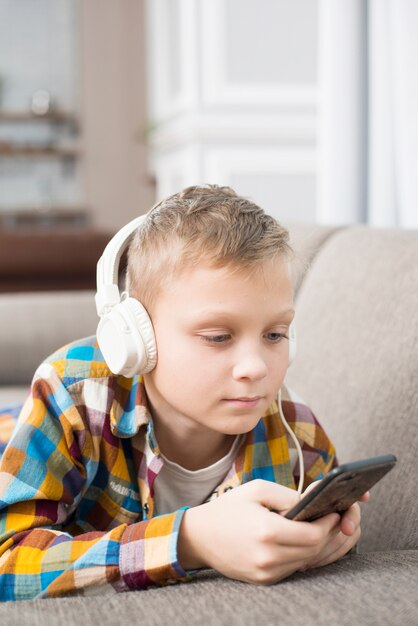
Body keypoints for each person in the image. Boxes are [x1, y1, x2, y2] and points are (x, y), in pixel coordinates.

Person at [0, 185, 365, 601]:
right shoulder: (73, 396)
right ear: (136, 339)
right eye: (218, 336)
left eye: (275, 334)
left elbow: (336, 550)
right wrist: (188, 539)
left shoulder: (296, 432)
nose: (257, 368)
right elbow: (7, 563)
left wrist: (328, 541)